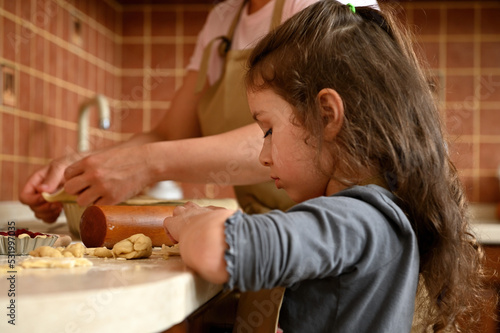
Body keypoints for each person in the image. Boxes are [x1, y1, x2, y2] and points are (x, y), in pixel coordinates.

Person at [163, 1, 489, 332]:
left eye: (268, 131)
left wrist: (193, 222)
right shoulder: (366, 214)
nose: (263, 156)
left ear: (327, 115)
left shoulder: (358, 218)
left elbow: (214, 248)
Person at [20, 0, 341, 222]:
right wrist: (82, 169)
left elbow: (306, 136)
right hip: (265, 232)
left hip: (319, 230)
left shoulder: (312, 8)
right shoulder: (223, 19)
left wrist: (148, 164)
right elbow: (168, 133)